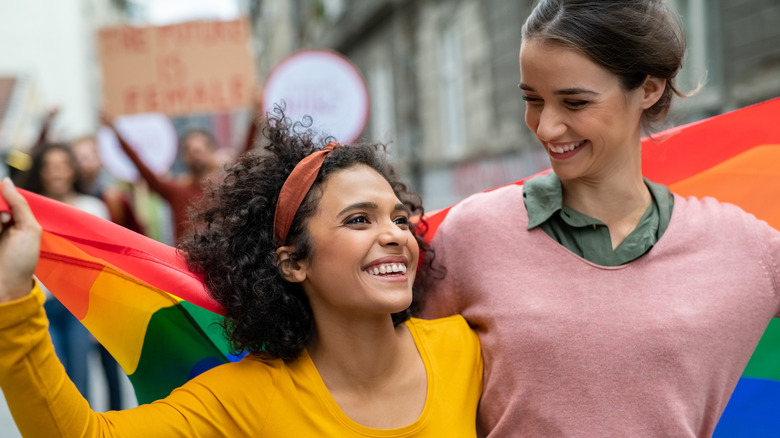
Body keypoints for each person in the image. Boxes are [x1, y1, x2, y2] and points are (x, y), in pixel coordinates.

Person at [419, 1, 780, 436]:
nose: (547, 127)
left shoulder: (742, 247)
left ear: (648, 89)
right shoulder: (471, 235)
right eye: (533, 100)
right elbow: (399, 382)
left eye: (574, 102)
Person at [0, 110, 482, 436]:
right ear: (293, 263)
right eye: (359, 219)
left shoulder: (466, 347)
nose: (397, 234)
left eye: (400, 218)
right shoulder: (242, 398)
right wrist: (13, 299)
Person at [18, 143, 111, 403]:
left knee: (80, 385)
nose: (55, 173)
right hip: (41, 306)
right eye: (48, 167)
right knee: (52, 387)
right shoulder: (28, 212)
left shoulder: (93, 208)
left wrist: (101, 319)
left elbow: (104, 267)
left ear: (73, 170)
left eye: (62, 166)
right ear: (40, 172)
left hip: (80, 310)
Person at [100, 112, 220, 244]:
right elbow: (146, 172)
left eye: (201, 149)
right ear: (183, 157)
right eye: (189, 150)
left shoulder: (226, 189)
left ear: (212, 151)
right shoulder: (177, 191)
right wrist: (117, 133)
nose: (196, 153)